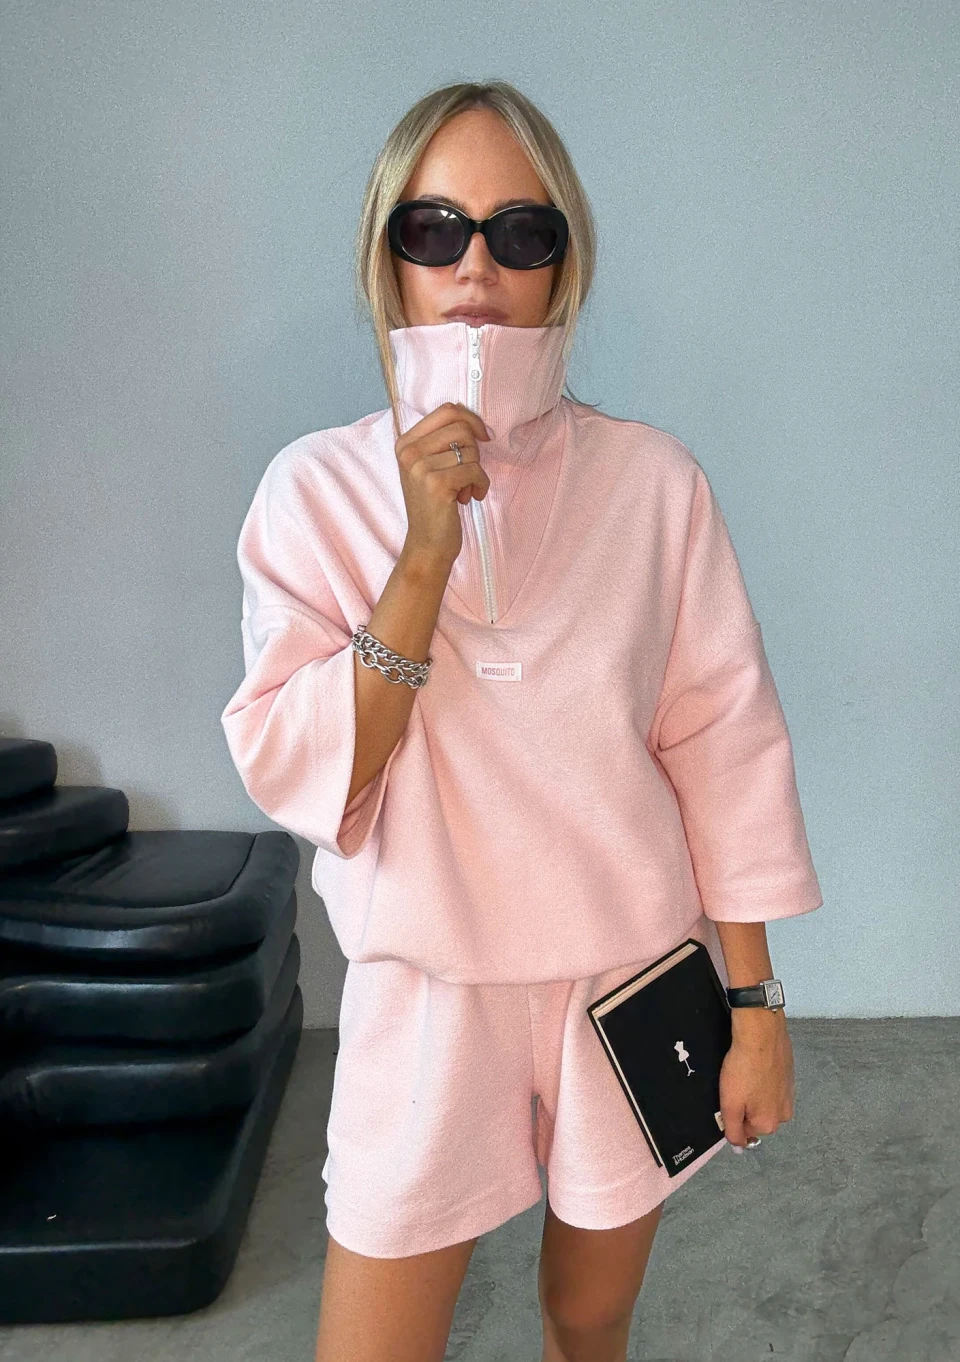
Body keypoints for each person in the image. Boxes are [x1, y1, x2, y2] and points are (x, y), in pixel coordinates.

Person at [221, 80, 823, 1362]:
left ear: (566, 260)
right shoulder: (313, 491)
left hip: (628, 973)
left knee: (589, 1320)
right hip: (426, 987)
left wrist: (758, 1003)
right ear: (388, 254)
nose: (476, 267)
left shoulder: (652, 483)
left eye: (521, 232)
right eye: (434, 229)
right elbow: (301, 766)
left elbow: (721, 743)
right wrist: (420, 557)